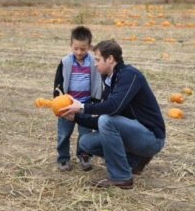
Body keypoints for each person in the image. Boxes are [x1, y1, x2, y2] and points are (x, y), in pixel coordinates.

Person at [60, 39, 166, 189]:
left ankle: (121, 177)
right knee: (86, 142)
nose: (95, 64)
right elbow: (106, 118)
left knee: (106, 121)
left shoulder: (129, 75)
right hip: (133, 133)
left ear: (109, 59)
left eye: (97, 59)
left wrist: (82, 106)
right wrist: (76, 117)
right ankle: (135, 160)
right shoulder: (110, 79)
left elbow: (112, 109)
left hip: (151, 137)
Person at [53, 26, 102, 171]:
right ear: (71, 45)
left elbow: (98, 81)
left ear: (89, 47)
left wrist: (97, 101)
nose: (79, 52)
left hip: (84, 104)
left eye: (83, 49)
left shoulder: (93, 62)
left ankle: (84, 155)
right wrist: (58, 101)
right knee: (64, 133)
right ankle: (63, 158)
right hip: (67, 104)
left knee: (86, 133)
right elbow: (58, 83)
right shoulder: (66, 62)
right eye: (76, 48)